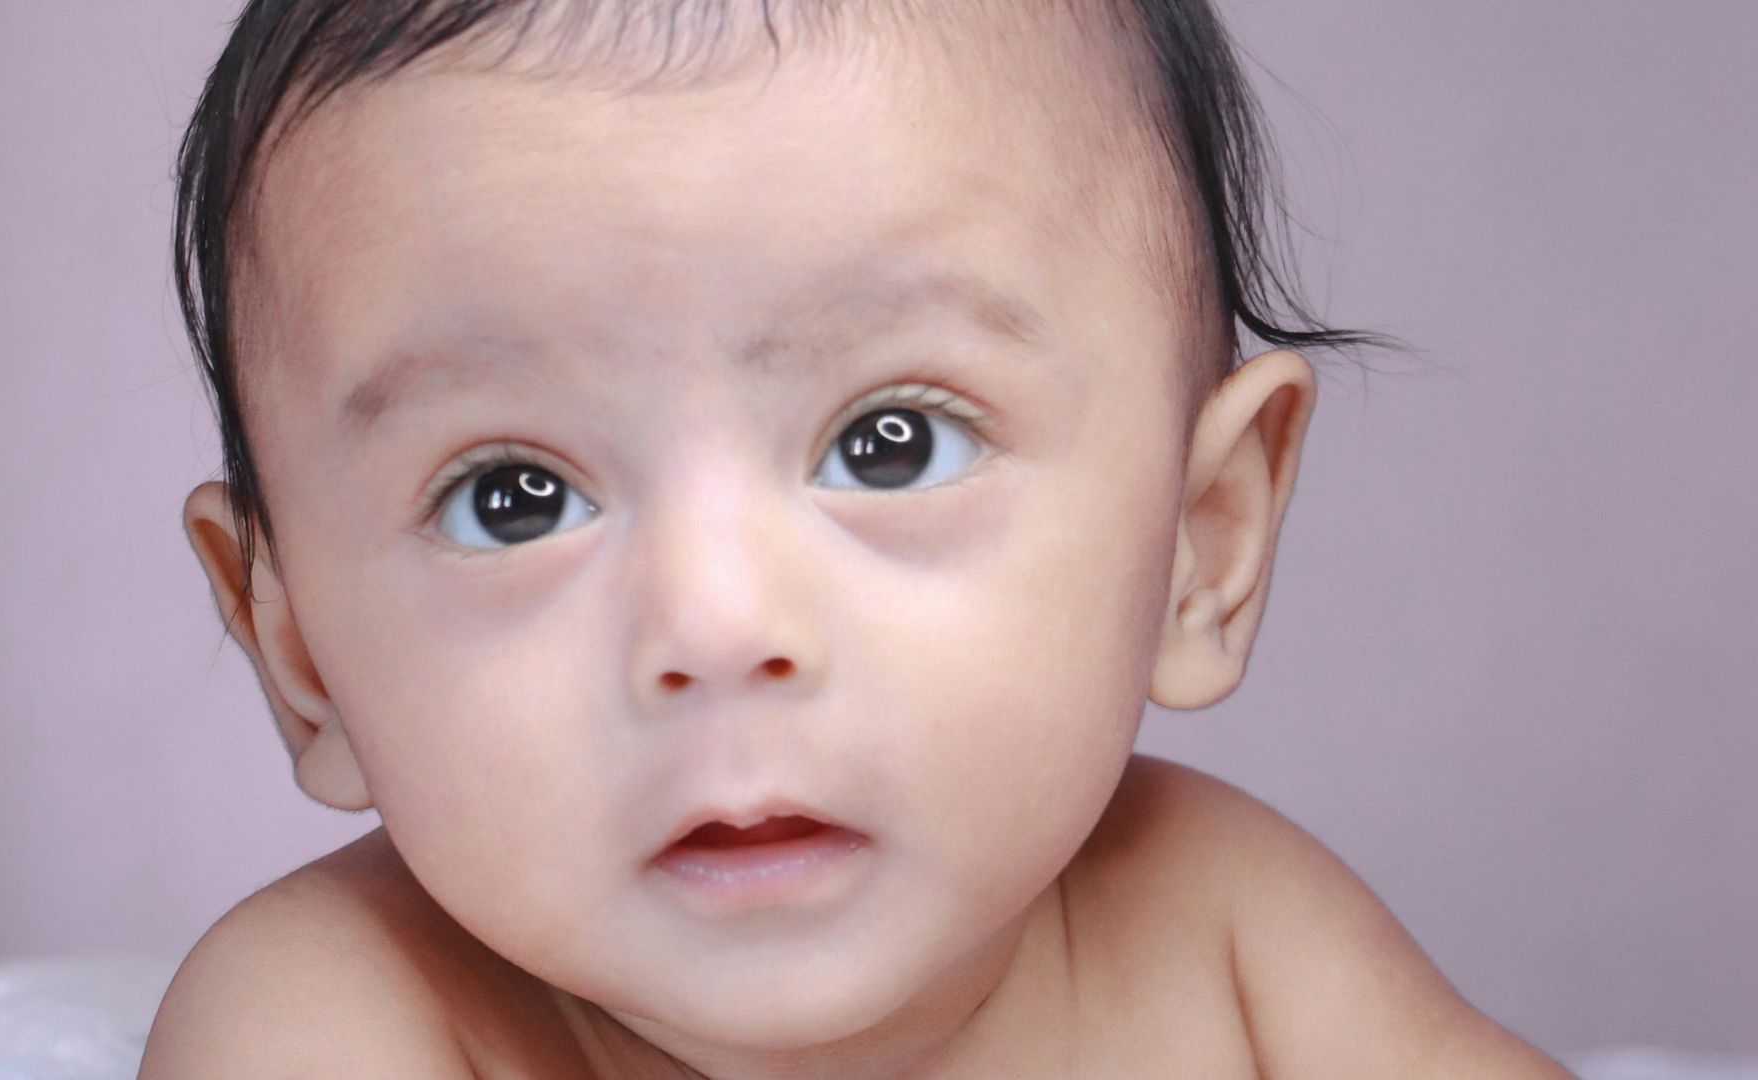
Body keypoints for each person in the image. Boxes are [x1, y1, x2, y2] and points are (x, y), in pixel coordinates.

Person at [141, 1, 1574, 1075]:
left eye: (892, 445)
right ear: (302, 650)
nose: (715, 625)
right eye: (511, 495)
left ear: (1203, 542)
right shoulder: (335, 1017)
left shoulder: (1235, 941)